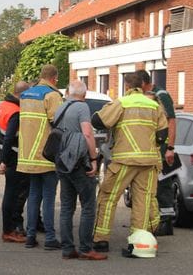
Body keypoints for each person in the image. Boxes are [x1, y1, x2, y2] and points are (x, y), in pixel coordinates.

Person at [91, 72, 168, 254]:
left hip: (124, 160)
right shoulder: (154, 105)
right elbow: (162, 134)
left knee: (108, 196)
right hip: (148, 161)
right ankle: (138, 244)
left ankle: (101, 240)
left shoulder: (122, 103)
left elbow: (98, 120)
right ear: (143, 85)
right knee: (143, 201)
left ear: (127, 87)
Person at [54, 80, 107, 260]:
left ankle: (68, 248)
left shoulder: (61, 107)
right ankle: (85, 248)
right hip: (78, 162)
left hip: (62, 161)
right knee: (88, 206)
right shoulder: (82, 108)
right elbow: (87, 133)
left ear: (69, 92)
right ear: (84, 95)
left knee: (67, 206)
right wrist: (93, 159)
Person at [17, 64, 63, 249]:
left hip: (27, 155)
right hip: (46, 155)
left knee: (34, 195)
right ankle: (50, 238)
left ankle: (30, 235)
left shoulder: (26, 94)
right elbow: (58, 124)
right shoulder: (52, 95)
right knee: (49, 197)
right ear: (54, 78)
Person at [136, 70, 177, 236]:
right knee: (154, 185)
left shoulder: (161, 95)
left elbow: (172, 121)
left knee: (163, 184)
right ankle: (157, 220)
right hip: (154, 147)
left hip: (163, 148)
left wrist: (170, 148)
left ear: (144, 84)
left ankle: (166, 223)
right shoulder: (151, 96)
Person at [0, 81, 30, 243]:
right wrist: (5, 160)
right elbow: (9, 138)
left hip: (2, 152)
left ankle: (9, 229)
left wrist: (1, 157)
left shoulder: (1, 106)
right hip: (12, 156)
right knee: (12, 194)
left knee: (10, 193)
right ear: (22, 95)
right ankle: (9, 230)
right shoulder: (16, 111)